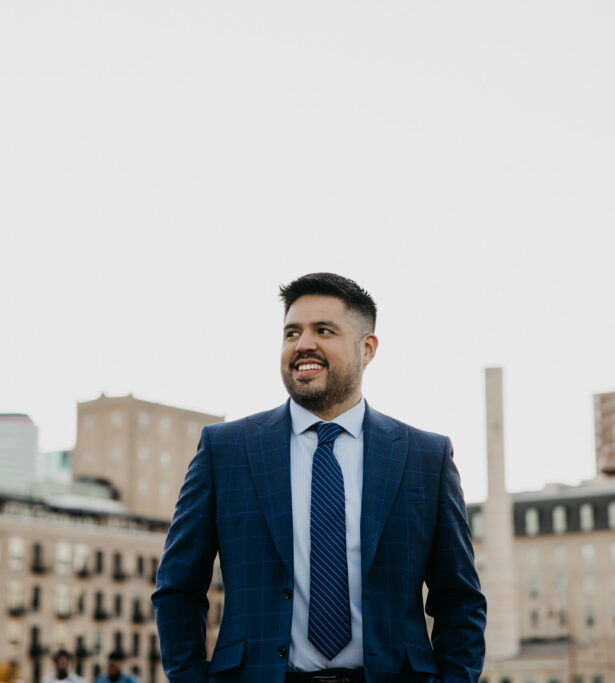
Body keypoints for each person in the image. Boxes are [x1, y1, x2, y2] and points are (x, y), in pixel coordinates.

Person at [154, 273, 486, 683]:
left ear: (367, 348)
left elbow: (460, 601)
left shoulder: (426, 457)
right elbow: (177, 587)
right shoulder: (225, 450)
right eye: (291, 332)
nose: (302, 344)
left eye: (323, 331)